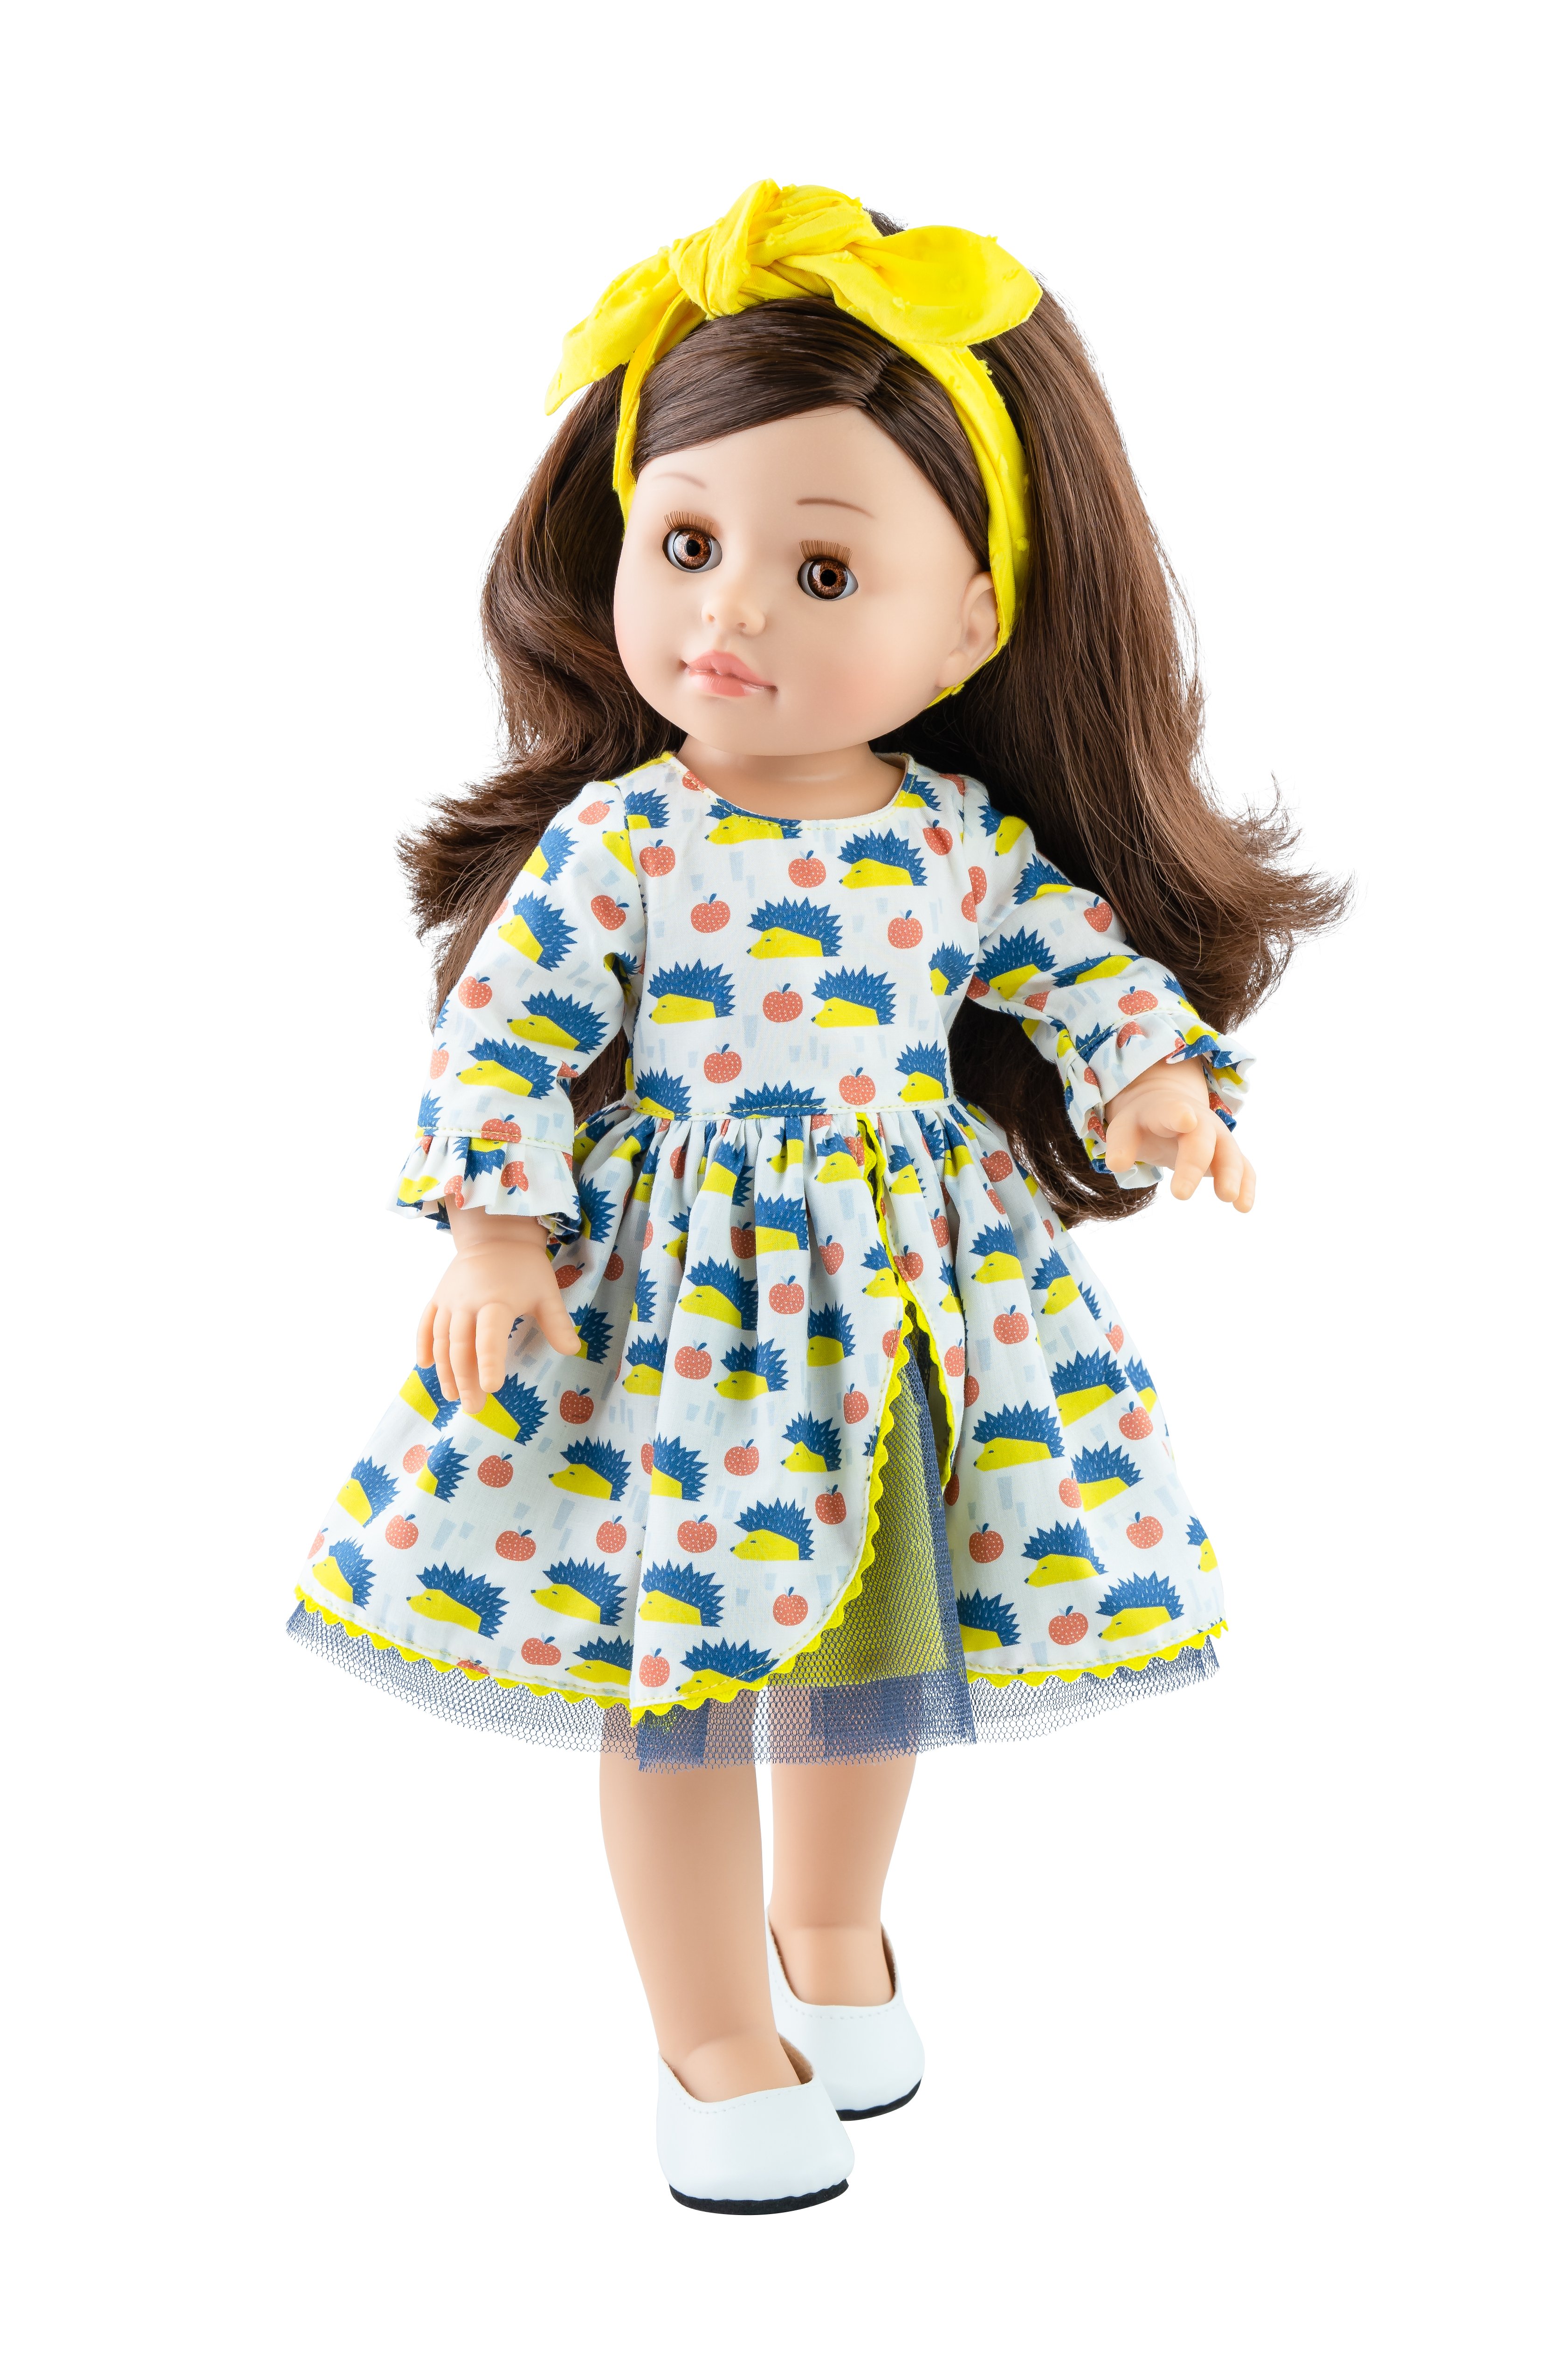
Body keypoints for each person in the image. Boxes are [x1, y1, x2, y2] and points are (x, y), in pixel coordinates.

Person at [291, 182, 1342, 2214]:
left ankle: (834, 1925)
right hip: (677, 1323)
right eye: (689, 544)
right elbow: (508, 1027)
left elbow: (1082, 969)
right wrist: (495, 1226)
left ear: (973, 624)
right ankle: (708, 2030)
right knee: (683, 1672)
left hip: (906, 1314)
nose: (736, 614)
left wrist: (1158, 1086)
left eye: (825, 566)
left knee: (875, 1632)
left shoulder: (957, 839)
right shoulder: (626, 843)